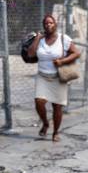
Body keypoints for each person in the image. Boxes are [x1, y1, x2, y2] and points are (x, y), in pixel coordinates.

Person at [27, 14, 80, 142]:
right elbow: (30, 54)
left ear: (55, 24)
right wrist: (38, 38)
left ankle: (55, 132)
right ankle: (45, 123)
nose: (48, 25)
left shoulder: (64, 39)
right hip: (42, 76)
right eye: (46, 23)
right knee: (39, 101)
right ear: (43, 26)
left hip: (58, 76)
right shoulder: (40, 39)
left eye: (51, 23)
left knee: (57, 106)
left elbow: (76, 53)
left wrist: (62, 61)